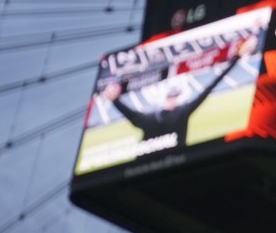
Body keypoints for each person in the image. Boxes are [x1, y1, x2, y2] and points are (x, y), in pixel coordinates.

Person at [101, 35, 258, 151]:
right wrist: (113, 100)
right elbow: (129, 113)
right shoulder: (164, 116)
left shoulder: (157, 117)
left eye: (173, 96)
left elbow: (209, 88)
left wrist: (236, 57)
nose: (172, 100)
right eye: (171, 96)